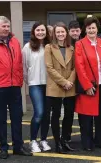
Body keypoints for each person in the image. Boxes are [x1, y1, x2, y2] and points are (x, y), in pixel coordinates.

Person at [0, 16, 32, 159]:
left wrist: (19, 81)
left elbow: (19, 64)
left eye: (8, 26)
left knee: (17, 117)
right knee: (1, 118)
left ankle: (18, 146)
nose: (6, 29)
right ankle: (3, 147)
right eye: (3, 26)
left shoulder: (15, 41)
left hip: (14, 86)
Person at [75, 16, 101, 151]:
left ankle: (100, 141)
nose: (91, 30)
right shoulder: (80, 44)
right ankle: (87, 143)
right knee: (86, 117)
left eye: (93, 28)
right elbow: (79, 67)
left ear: (98, 29)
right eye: (89, 28)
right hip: (89, 86)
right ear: (85, 29)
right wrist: (87, 86)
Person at [44, 22, 76, 154]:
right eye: (58, 32)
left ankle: (65, 140)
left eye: (63, 32)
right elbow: (49, 68)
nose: (61, 34)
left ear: (66, 33)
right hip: (56, 85)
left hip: (70, 85)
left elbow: (75, 67)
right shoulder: (49, 47)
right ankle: (57, 143)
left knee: (69, 115)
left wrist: (70, 81)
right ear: (54, 34)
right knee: (56, 115)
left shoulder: (71, 48)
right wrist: (63, 82)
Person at [22, 22, 52, 153]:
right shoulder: (28, 47)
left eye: (43, 30)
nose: (40, 32)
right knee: (39, 113)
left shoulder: (50, 46)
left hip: (50, 84)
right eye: (38, 30)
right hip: (35, 84)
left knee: (46, 114)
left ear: (46, 32)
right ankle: (33, 140)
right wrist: (29, 81)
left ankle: (43, 140)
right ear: (34, 32)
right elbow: (23, 67)